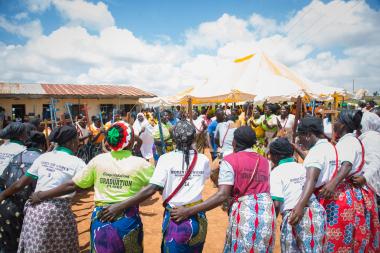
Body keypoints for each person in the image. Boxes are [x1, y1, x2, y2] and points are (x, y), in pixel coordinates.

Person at [30, 122, 155, 253]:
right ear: (130, 142)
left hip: (101, 218)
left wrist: (41, 195)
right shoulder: (142, 165)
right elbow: (155, 186)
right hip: (127, 221)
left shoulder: (97, 161)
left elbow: (72, 185)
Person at [98, 120, 210, 252]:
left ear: (173, 138)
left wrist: (118, 206)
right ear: (193, 138)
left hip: (177, 219)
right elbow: (202, 179)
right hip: (198, 218)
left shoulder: (165, 159)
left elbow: (152, 188)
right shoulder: (203, 159)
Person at [171, 126, 275, 253]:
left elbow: (222, 195)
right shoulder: (265, 161)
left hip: (246, 213)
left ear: (234, 142)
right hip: (267, 213)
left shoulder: (230, 160)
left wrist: (188, 211)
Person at [0, 125, 85, 252]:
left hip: (35, 212)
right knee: (63, 248)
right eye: (77, 139)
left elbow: (19, 184)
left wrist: (2, 195)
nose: (79, 143)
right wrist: (43, 195)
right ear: (71, 141)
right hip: (59, 213)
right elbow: (74, 185)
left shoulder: (44, 157)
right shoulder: (78, 163)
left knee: (36, 248)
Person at [319, 110, 379, 252]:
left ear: (343, 125)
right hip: (351, 192)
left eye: (337, 121)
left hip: (346, 194)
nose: (334, 124)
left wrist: (332, 184)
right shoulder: (349, 140)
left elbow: (347, 164)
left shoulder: (349, 141)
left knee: (341, 235)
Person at [269, 138, 326, 253]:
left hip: (294, 217)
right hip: (316, 213)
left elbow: (276, 204)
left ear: (275, 156)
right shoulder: (304, 167)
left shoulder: (276, 172)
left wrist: (271, 225)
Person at [0, 131, 46, 253]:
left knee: (8, 247)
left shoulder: (16, 157)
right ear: (43, 145)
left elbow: (3, 180)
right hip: (30, 211)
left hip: (7, 208)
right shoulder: (44, 159)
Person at [352, 111, 380, 216]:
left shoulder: (372, 137)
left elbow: (376, 160)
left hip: (369, 182)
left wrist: (365, 178)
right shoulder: (366, 137)